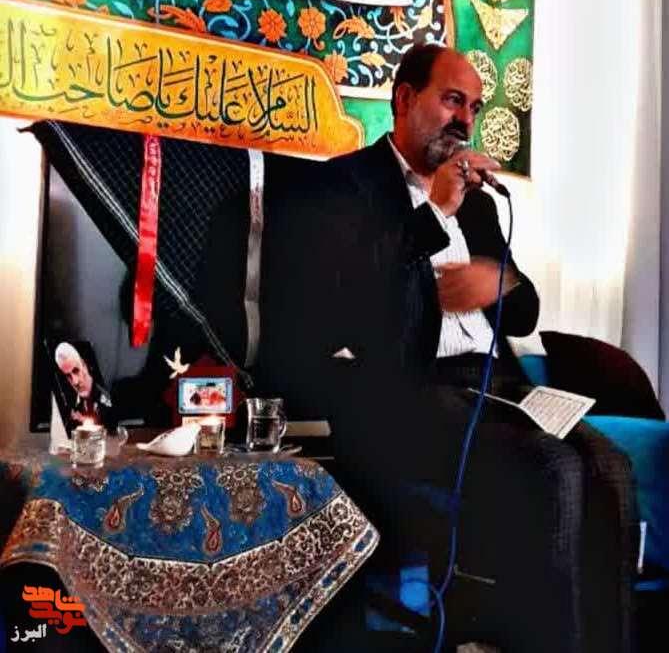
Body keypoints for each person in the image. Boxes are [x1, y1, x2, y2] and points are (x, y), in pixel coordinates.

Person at [198, 43, 635, 653]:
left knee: (611, 467)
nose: (465, 120)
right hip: (408, 392)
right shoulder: (337, 187)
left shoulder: (479, 204)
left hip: (497, 389)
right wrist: (433, 214)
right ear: (404, 99)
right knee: (554, 469)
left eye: (474, 108)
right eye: (453, 100)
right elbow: (340, 308)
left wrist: (499, 282)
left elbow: (527, 312)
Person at [54, 342, 114, 430]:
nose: (75, 382)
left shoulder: (107, 398)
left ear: (84, 365)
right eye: (68, 376)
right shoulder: (72, 407)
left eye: (76, 371)